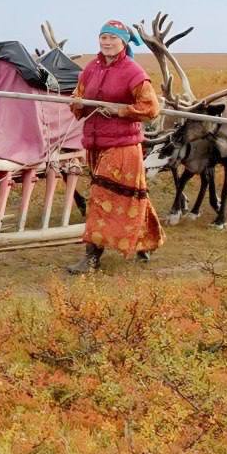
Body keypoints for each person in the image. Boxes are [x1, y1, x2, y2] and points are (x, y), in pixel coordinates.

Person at [66, 20, 164, 274]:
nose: (107, 42)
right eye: (103, 37)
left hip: (122, 145)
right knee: (129, 195)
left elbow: (151, 108)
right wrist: (78, 102)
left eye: (112, 38)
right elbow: (79, 97)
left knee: (100, 198)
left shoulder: (133, 72)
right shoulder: (91, 68)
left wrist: (119, 110)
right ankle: (146, 242)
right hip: (96, 143)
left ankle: (91, 257)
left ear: (123, 42)